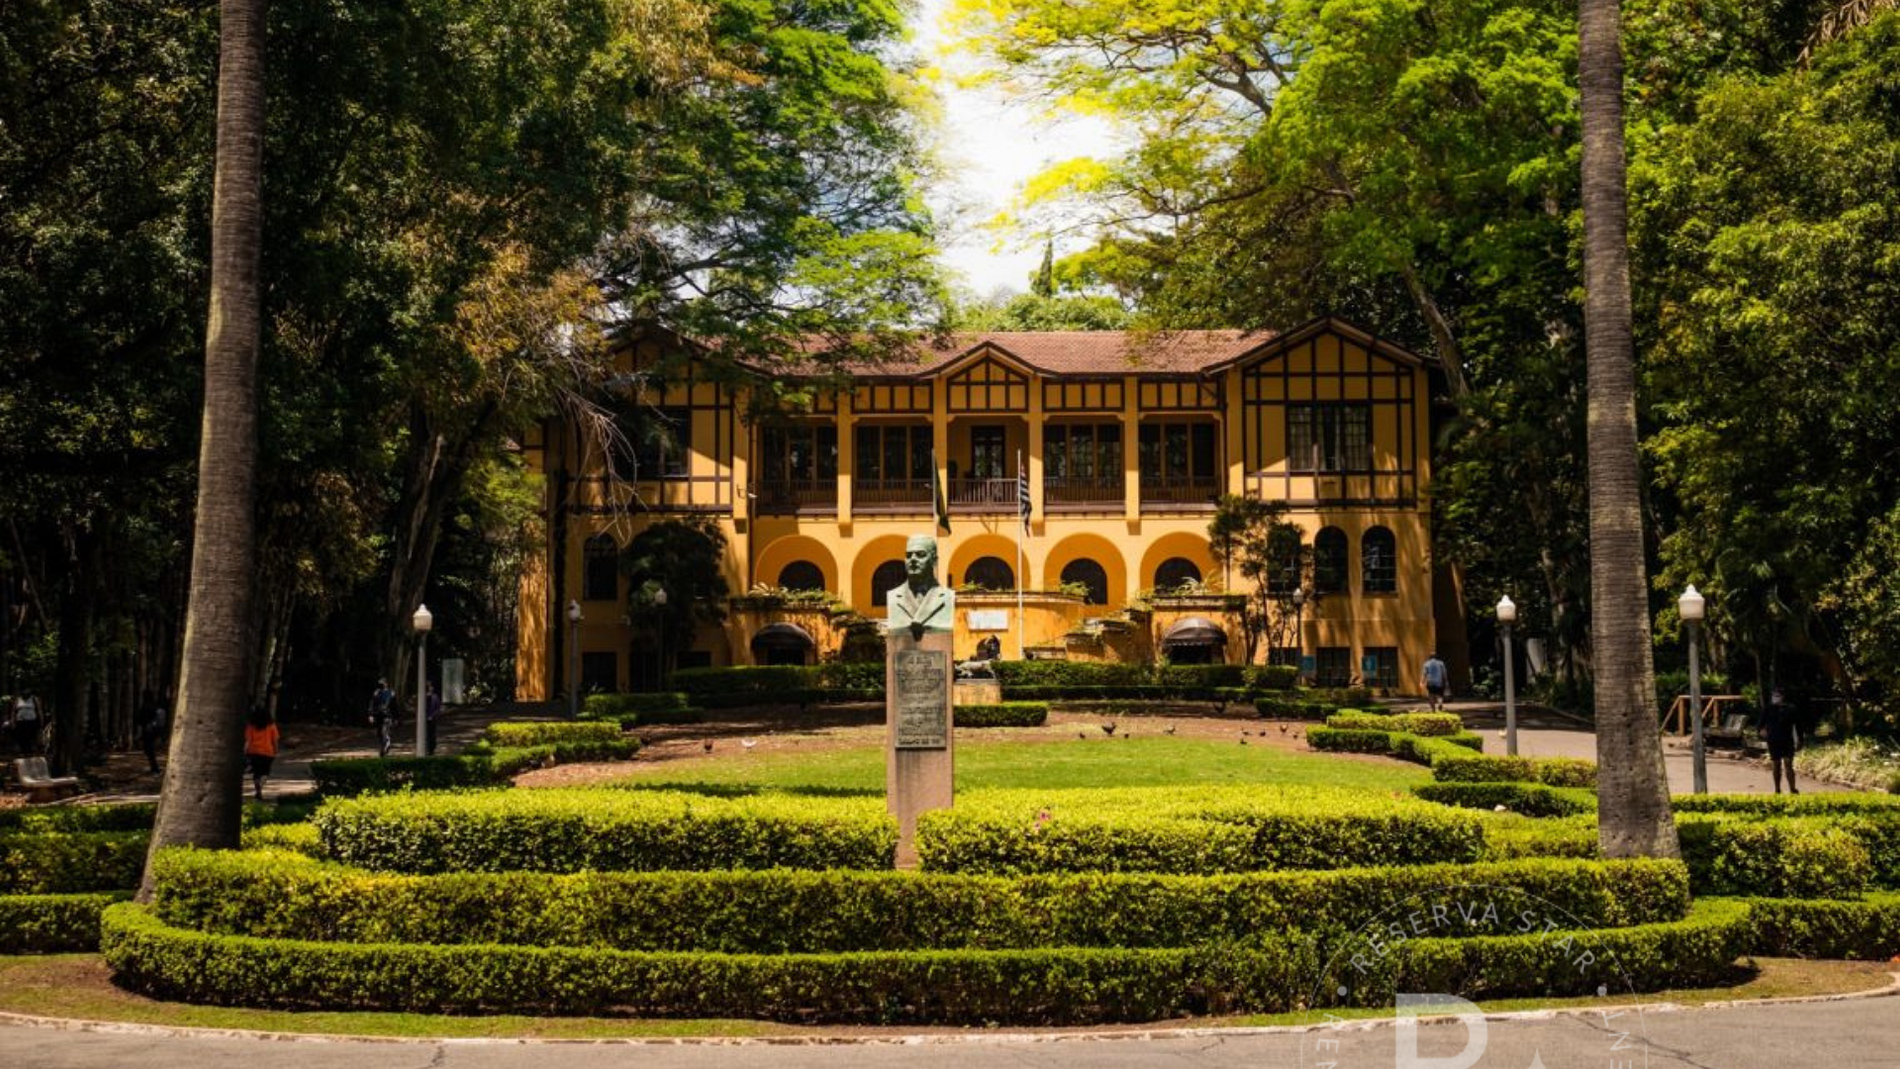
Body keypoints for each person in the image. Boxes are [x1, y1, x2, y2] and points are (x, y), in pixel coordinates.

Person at [1760, 688, 1800, 794]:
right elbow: (1760, 724)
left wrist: (1799, 739)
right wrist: (1761, 731)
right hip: (1773, 740)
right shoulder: (1768, 709)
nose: (1775, 698)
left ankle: (1792, 788)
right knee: (1776, 764)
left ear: (1782, 697)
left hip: (1787, 740)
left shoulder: (1791, 709)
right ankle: (1777, 789)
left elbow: (1798, 725)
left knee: (1788, 764)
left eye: (1777, 695)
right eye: (1773, 695)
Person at [243, 704, 280, 801]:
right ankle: (260, 788)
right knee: (265, 773)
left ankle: (257, 789)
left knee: (256, 773)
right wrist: (276, 750)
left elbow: (248, 741)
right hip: (268, 752)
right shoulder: (271, 725)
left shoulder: (251, 726)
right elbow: (275, 740)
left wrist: (244, 752)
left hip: (253, 752)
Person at [135, 689, 166, 773]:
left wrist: (146, 726)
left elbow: (141, 719)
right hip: (155, 730)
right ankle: (154, 767)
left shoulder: (146, 705)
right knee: (148, 749)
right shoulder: (155, 705)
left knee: (148, 749)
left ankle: (155, 768)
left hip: (149, 730)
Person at [367, 679, 395, 757]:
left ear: (386, 684)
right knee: (380, 733)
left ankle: (384, 746)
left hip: (387, 715)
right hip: (379, 715)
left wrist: (396, 717)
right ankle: (384, 746)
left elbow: (394, 705)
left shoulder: (391, 693)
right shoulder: (377, 693)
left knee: (384, 731)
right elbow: (372, 704)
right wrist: (371, 714)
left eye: (382, 684)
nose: (381, 685)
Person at [11, 691, 42, 756]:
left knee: (30, 736)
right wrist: (13, 721)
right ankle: (23, 752)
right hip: (20, 721)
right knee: (21, 737)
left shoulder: (34, 699)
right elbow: (13, 711)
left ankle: (30, 752)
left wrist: (41, 719)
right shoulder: (18, 699)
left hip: (31, 721)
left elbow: (39, 710)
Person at [424, 682, 442, 756]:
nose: (431, 688)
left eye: (431, 686)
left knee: (432, 734)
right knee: (426, 734)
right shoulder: (423, 697)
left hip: (432, 719)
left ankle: (431, 749)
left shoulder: (435, 697)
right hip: (424, 719)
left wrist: (432, 716)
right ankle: (427, 748)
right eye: (429, 686)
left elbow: (438, 708)